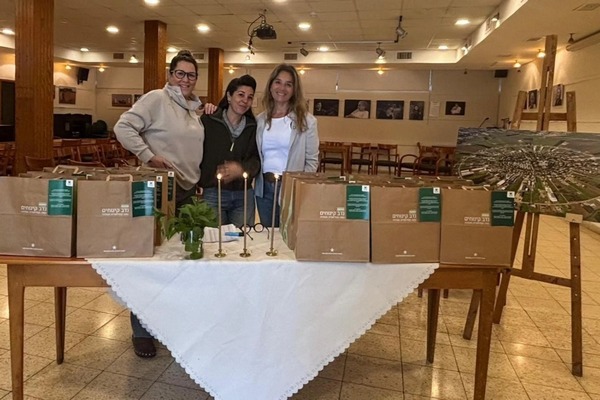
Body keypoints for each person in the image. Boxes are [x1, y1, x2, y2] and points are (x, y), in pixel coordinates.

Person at [113, 49, 204, 359]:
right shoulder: (156, 99)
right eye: (180, 73)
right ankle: (141, 330)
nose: (185, 79)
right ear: (170, 75)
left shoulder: (192, 108)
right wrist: (148, 156)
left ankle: (166, 324)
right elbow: (123, 127)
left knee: (178, 261)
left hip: (186, 190)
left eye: (191, 75)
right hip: (159, 189)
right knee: (150, 261)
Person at [255, 64, 320, 227]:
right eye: (278, 82)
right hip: (264, 188)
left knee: (288, 236)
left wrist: (299, 187)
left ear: (294, 90)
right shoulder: (260, 120)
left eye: (288, 84)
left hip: (291, 188)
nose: (282, 88)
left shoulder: (307, 121)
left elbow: (312, 161)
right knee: (267, 236)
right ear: (271, 85)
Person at [199, 75, 260, 227]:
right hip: (213, 193)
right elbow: (197, 153)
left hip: (243, 195)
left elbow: (257, 160)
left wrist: (241, 169)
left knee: (242, 239)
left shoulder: (253, 127)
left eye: (250, 97)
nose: (245, 100)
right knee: (214, 238)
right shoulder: (209, 121)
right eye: (241, 95)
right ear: (229, 96)